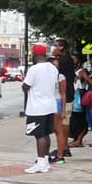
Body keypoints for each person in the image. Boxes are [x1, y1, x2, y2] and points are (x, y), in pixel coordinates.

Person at [22, 44, 65, 173]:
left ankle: (40, 162)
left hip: (37, 107)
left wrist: (24, 82)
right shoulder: (53, 68)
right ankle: (45, 161)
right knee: (46, 134)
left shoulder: (34, 69)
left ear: (34, 56)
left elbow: (25, 87)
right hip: (50, 106)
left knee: (39, 135)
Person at [51, 38, 77, 162]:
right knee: (63, 122)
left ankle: (64, 148)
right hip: (67, 93)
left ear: (61, 48)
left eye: (55, 46)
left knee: (63, 122)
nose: (53, 48)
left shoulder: (62, 61)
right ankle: (63, 147)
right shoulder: (67, 59)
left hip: (65, 94)